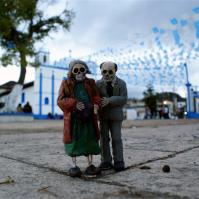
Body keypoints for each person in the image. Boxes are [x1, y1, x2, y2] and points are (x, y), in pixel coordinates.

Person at [57, 60, 101, 177]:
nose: (79, 72)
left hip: (89, 117)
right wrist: (73, 103)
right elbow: (60, 100)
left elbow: (97, 96)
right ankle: (74, 167)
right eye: (76, 70)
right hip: (74, 119)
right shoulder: (66, 83)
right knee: (74, 142)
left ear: (86, 70)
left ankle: (90, 165)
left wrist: (96, 104)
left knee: (90, 141)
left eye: (82, 69)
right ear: (71, 72)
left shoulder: (91, 82)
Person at [96, 61, 127, 171]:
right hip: (103, 116)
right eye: (104, 72)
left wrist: (110, 100)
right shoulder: (97, 84)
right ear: (101, 72)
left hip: (116, 116)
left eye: (110, 72)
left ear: (115, 71)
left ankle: (119, 161)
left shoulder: (121, 84)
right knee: (103, 138)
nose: (107, 74)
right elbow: (95, 98)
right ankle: (105, 161)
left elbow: (124, 99)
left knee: (116, 137)